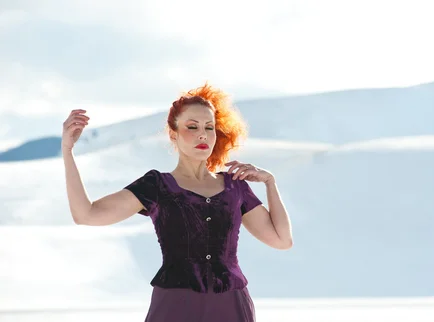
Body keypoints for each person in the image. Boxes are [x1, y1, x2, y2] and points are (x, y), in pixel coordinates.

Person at [61, 83, 293, 322]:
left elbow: (281, 239)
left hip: (230, 305)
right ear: (173, 134)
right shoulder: (156, 186)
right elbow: (86, 214)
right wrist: (67, 151)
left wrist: (270, 183)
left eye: (209, 127)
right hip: (175, 305)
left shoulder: (235, 187)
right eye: (192, 127)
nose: (202, 134)